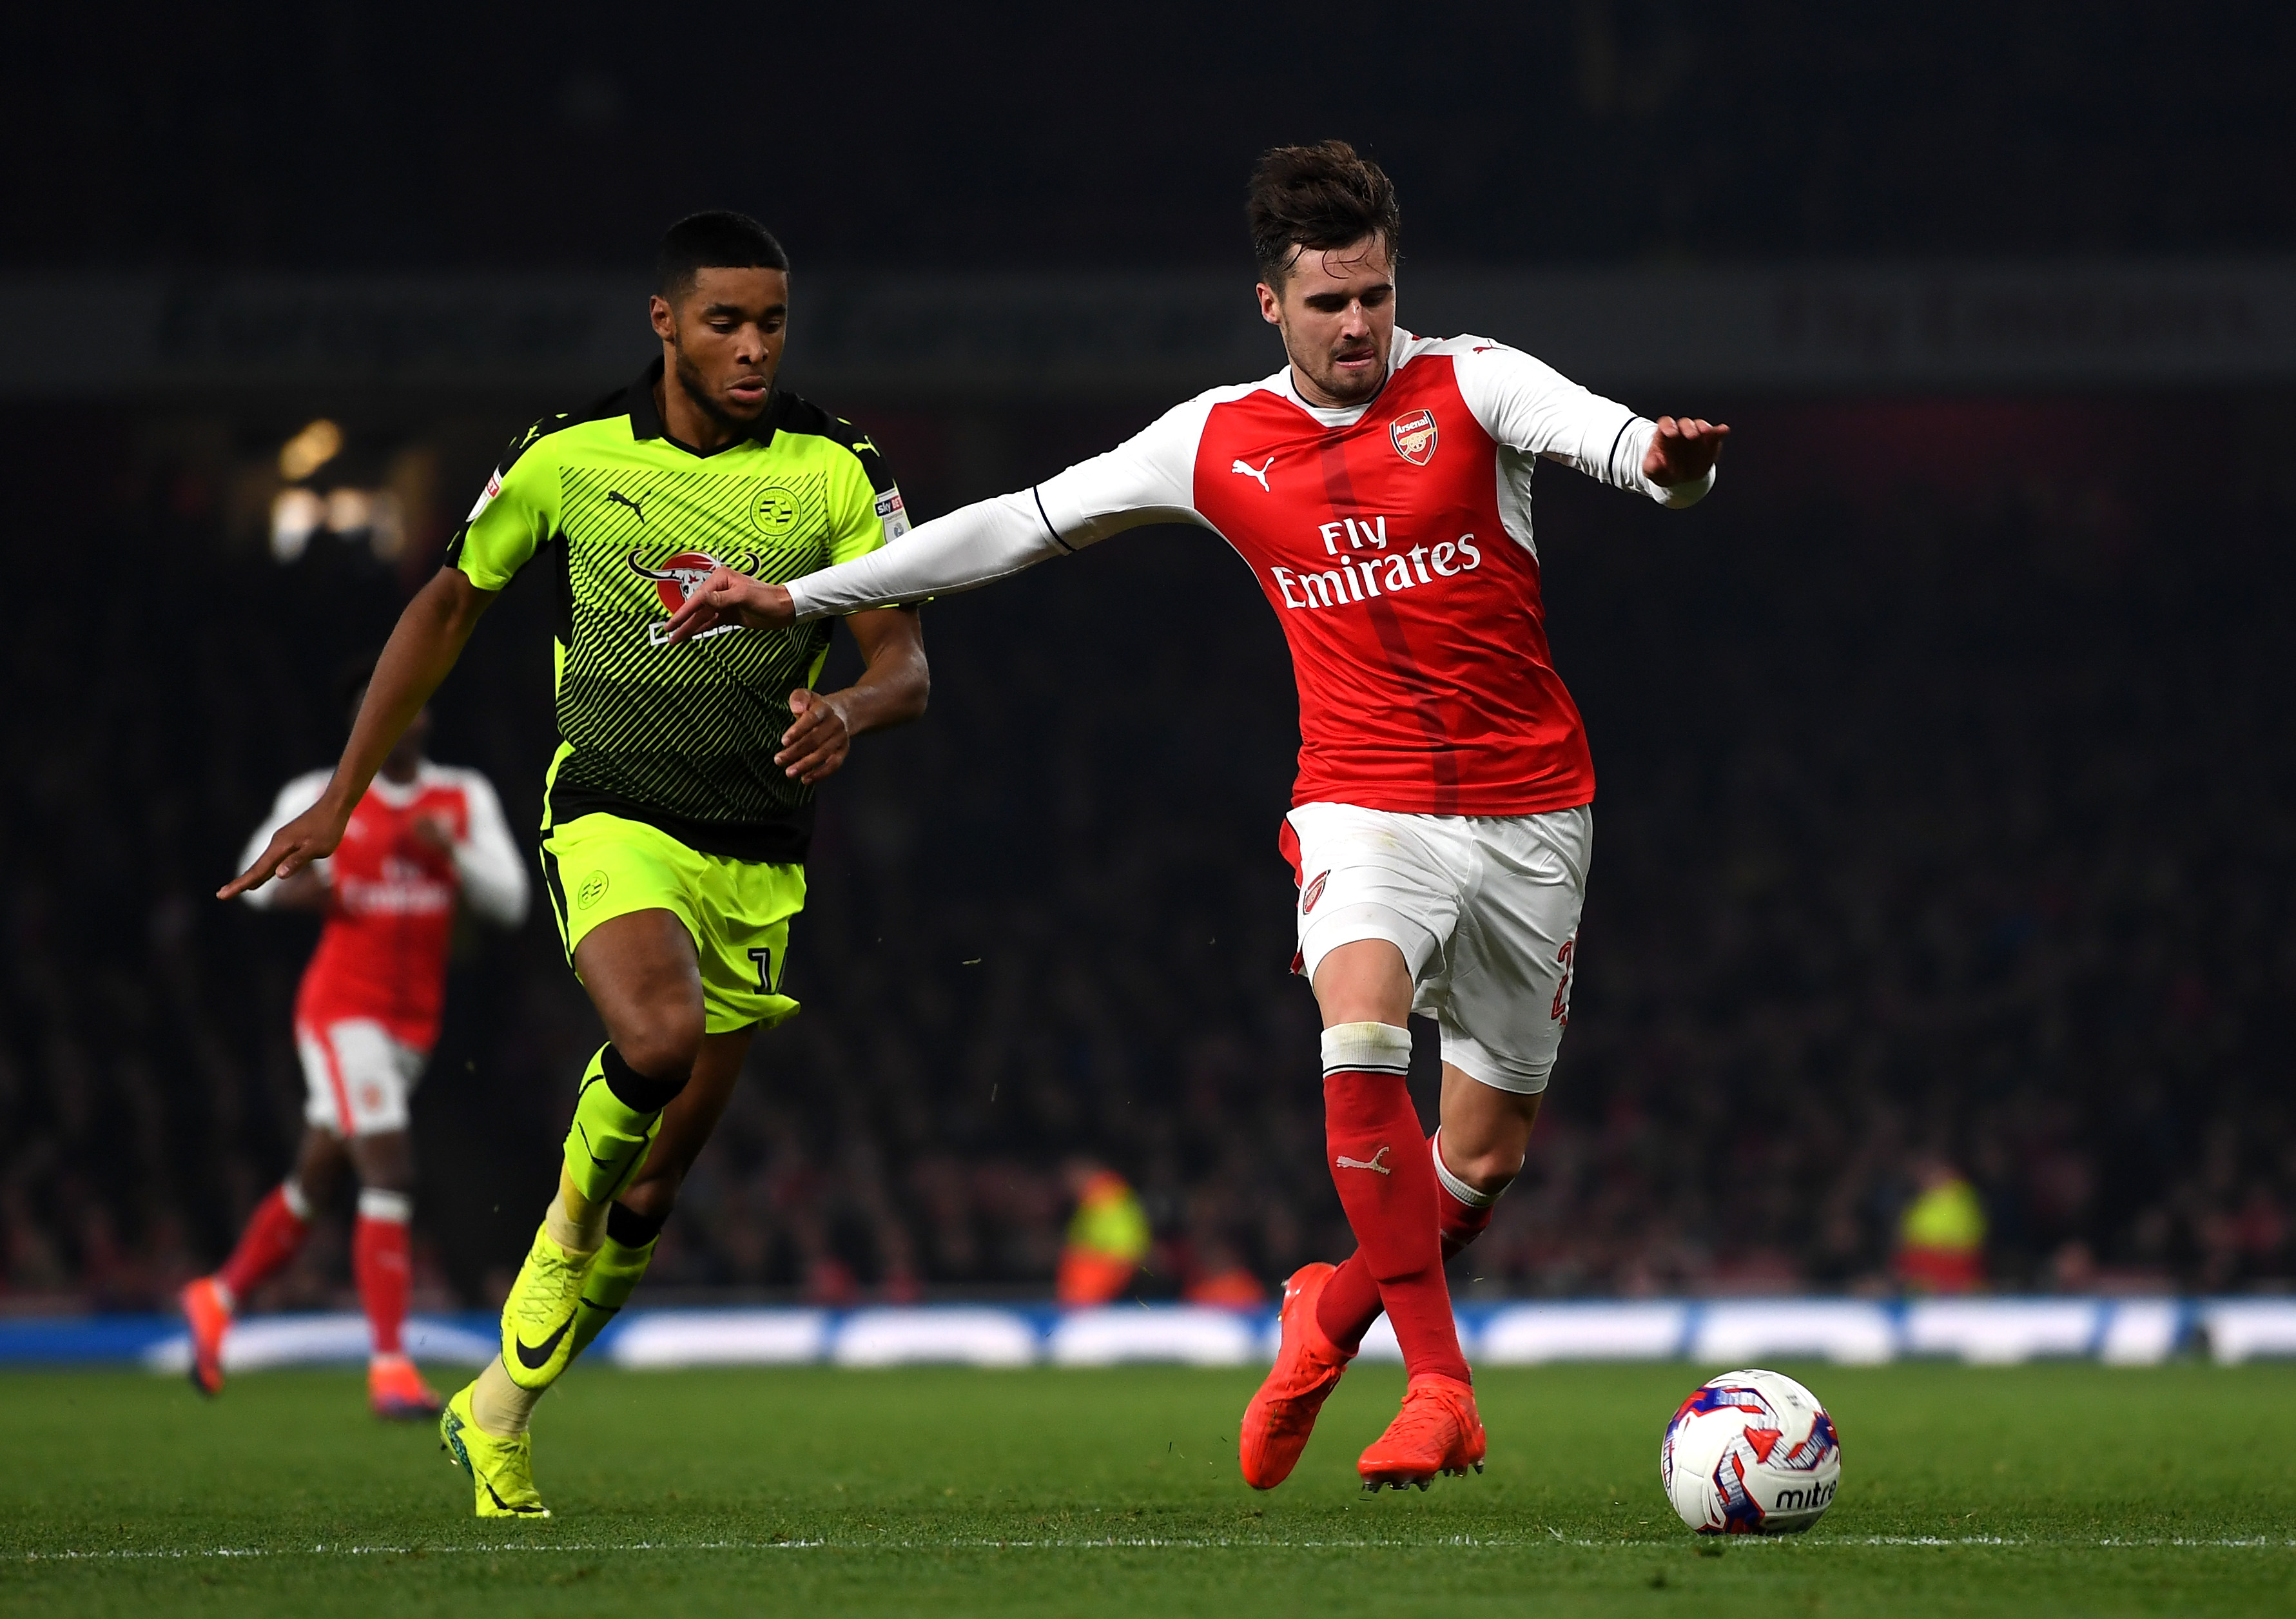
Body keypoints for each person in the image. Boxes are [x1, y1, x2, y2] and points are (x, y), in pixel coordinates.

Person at [665, 142, 1728, 1492]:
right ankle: (1441, 1388)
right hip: (1361, 801)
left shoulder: (1469, 381)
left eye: (1374, 296)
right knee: (1357, 1031)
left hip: (1534, 813)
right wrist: (805, 595)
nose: (1358, 326)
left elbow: (1623, 447)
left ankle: (1324, 1315)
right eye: (1329, 303)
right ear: (1268, 305)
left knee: (1478, 1158)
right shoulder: (1213, 438)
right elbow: (1020, 523)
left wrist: (1673, 466)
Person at [220, 210, 929, 1518]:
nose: (754, 345)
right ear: (663, 321)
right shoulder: (566, 458)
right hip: (610, 810)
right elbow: (444, 607)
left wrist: (850, 707)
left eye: (772, 320)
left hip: (759, 852)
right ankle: (555, 1234)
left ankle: (495, 1412)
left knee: (656, 1190)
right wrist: (341, 792)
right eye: (725, 320)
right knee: (652, 1038)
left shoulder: (836, 466)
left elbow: (904, 659)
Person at [182, 684, 527, 1417]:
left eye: (419, 704)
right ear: (363, 721)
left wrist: (455, 852)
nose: (409, 716)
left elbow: (512, 901)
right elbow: (250, 878)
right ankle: (391, 1367)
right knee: (389, 1167)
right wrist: (289, 891)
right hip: (342, 1013)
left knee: (315, 1178)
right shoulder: (323, 795)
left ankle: (217, 1295)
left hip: (413, 1027)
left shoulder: (461, 798)